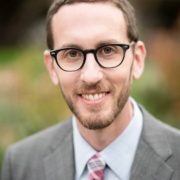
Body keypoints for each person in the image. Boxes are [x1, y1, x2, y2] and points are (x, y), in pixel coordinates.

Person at [1, 0, 180, 179]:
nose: (91, 76)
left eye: (108, 50)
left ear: (137, 60)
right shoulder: (20, 164)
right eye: (72, 54)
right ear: (52, 68)